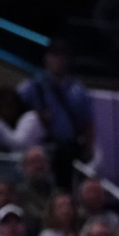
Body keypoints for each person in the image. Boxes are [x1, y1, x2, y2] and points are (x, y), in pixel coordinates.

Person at [17, 41, 94, 188]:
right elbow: (14, 107)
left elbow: (88, 121)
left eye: (62, 56)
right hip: (41, 146)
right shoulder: (34, 85)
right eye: (54, 55)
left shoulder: (78, 89)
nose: (58, 60)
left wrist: (88, 148)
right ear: (46, 58)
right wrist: (37, 115)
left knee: (66, 186)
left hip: (69, 148)